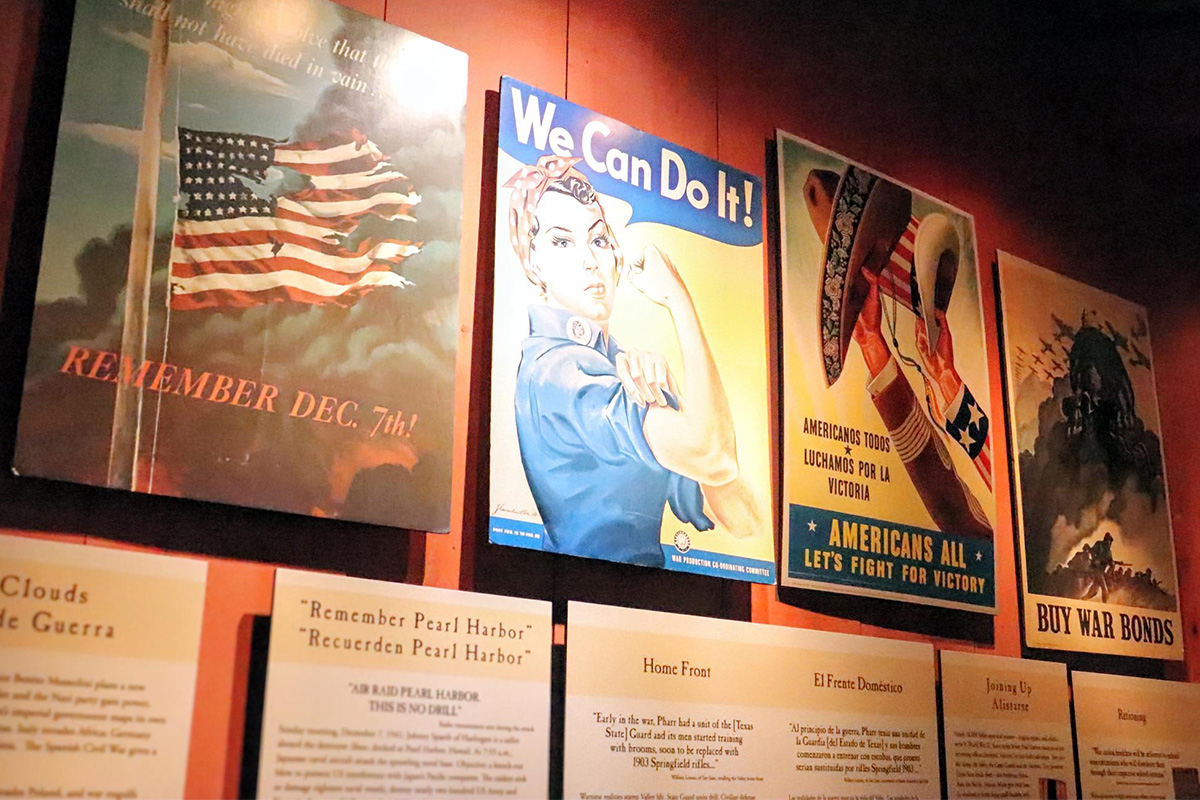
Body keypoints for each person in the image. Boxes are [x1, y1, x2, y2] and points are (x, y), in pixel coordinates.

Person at [503, 155, 762, 566]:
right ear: (533, 262)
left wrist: (670, 395)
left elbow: (745, 519)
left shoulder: (614, 365)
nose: (590, 259)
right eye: (562, 242)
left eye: (599, 239)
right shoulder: (559, 371)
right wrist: (678, 300)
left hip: (649, 607)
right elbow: (712, 454)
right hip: (585, 597)